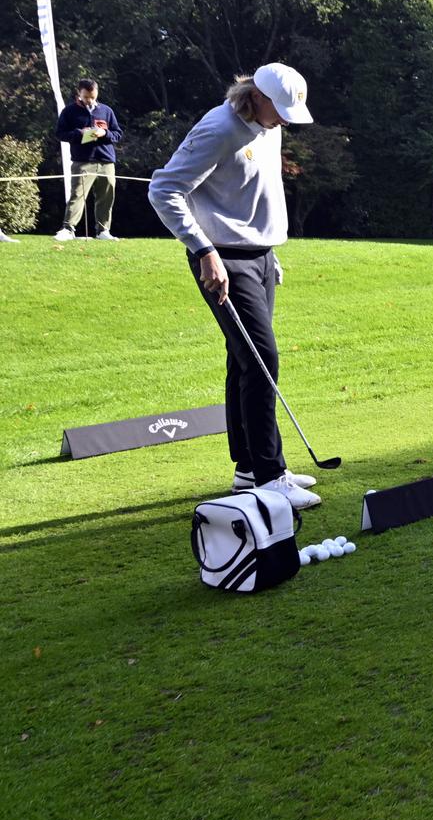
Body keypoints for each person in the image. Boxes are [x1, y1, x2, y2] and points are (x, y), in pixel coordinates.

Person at [148, 65, 322, 510]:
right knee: (263, 360)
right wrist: (204, 251)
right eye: (279, 111)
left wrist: (269, 250)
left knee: (243, 360)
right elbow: (163, 189)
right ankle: (270, 474)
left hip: (259, 255)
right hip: (222, 258)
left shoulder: (268, 125)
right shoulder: (219, 128)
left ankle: (247, 468)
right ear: (255, 96)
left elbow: (255, 193)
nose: (284, 120)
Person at [53, 79, 123, 240]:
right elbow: (60, 134)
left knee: (107, 196)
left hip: (106, 161)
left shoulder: (106, 110)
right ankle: (68, 229)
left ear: (96, 93)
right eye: (86, 97)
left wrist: (104, 133)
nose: (89, 100)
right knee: (77, 195)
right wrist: (80, 133)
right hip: (83, 161)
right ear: (79, 93)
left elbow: (117, 134)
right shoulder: (69, 111)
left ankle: (103, 230)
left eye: (92, 97)